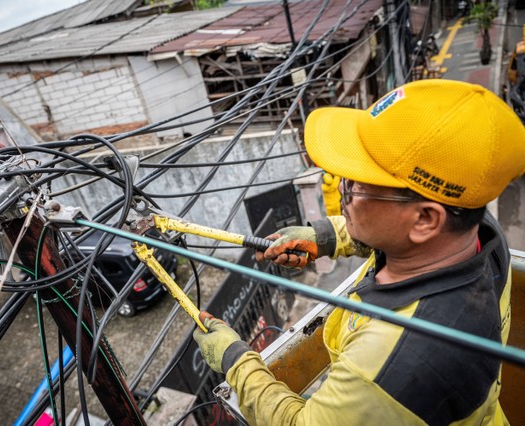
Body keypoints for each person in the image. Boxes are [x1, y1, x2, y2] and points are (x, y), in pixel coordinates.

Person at [193, 79, 525, 425]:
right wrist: (324, 237)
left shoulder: (389, 363)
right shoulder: (477, 232)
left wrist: (237, 361)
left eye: (356, 183)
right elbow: (398, 236)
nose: (341, 186)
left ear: (425, 218)